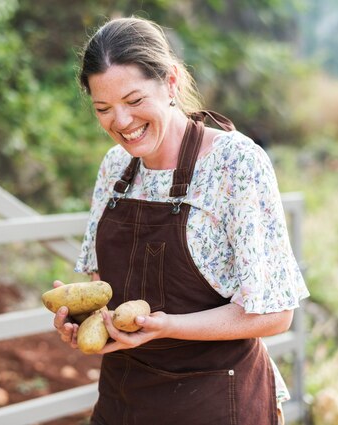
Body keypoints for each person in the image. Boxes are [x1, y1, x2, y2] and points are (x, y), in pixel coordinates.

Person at [52, 16, 309, 425]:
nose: (120, 122)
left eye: (135, 101)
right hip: (123, 400)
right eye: (103, 108)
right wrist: (88, 321)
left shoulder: (235, 163)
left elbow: (275, 314)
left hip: (214, 403)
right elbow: (108, 290)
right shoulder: (116, 168)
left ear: (171, 83)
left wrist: (167, 326)